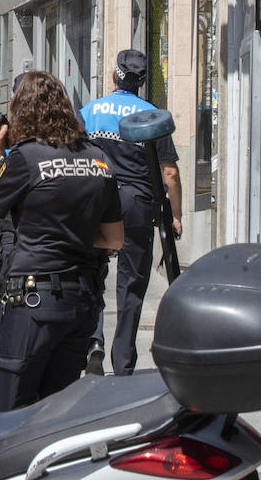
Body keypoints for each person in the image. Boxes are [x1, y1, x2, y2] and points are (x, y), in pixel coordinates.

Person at [0, 71, 123, 412]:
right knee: (57, 414)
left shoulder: (26, 157)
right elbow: (114, 238)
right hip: (81, 303)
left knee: (10, 416)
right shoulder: (98, 159)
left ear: (23, 111)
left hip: (34, 303)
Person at [78, 48, 181, 377]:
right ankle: (123, 361)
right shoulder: (152, 115)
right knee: (132, 283)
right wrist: (175, 216)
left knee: (90, 275)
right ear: (142, 81)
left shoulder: (89, 112)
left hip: (95, 199)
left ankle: (93, 343)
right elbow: (171, 174)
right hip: (137, 205)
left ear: (114, 76)